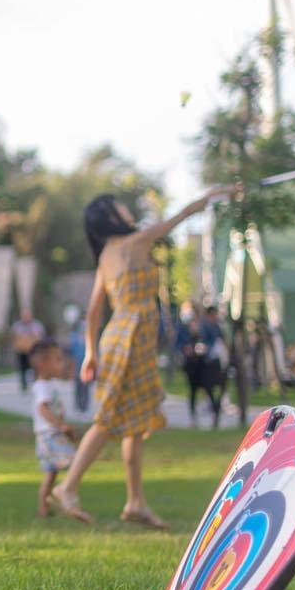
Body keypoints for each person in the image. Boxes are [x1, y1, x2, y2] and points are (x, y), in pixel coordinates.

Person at [50, 187, 231, 527]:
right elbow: (178, 218)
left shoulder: (106, 256)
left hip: (121, 336)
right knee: (110, 417)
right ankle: (68, 486)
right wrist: (214, 194)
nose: (125, 208)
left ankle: (136, 502)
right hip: (131, 338)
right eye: (118, 205)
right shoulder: (137, 242)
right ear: (110, 217)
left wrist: (91, 352)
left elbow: (93, 313)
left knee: (135, 421)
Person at [29, 339, 78, 518]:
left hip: (47, 435)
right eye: (57, 360)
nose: (62, 363)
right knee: (75, 462)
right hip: (49, 435)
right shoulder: (42, 387)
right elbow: (43, 408)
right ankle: (64, 493)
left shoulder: (48, 385)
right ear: (43, 365)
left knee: (50, 474)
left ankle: (44, 510)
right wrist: (61, 426)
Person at [172, 302, 205, 426]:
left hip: (201, 362)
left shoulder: (199, 326)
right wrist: (184, 349)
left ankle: (208, 408)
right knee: (193, 389)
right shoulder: (181, 328)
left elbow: (203, 340)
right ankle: (193, 413)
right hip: (189, 363)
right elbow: (177, 345)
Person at [198, 304, 227, 429]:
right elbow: (204, 341)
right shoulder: (205, 326)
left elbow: (222, 338)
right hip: (209, 358)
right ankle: (213, 406)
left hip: (218, 359)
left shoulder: (217, 326)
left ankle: (216, 406)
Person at [10, 311, 47, 392]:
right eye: (25, 316)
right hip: (22, 352)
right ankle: (24, 385)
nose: (26, 318)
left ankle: (35, 384)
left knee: (34, 368)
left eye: (28, 316)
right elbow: (14, 337)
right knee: (22, 368)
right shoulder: (17, 326)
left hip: (33, 351)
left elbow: (40, 335)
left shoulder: (36, 325)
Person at [64, 305, 90, 415]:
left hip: (86, 362)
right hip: (76, 363)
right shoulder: (74, 336)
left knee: (85, 384)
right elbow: (70, 350)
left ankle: (84, 406)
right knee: (77, 384)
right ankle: (78, 405)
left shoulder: (89, 339)